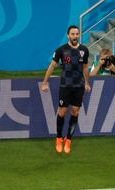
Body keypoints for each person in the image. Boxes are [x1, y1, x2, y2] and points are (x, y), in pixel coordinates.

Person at [41, 25, 91, 154]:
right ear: (68, 35)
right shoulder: (61, 50)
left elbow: (85, 68)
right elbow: (52, 66)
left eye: (77, 34)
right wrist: (44, 82)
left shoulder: (84, 50)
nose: (75, 36)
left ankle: (68, 140)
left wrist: (87, 82)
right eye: (73, 34)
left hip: (79, 86)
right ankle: (59, 138)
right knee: (62, 112)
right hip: (65, 85)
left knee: (75, 112)